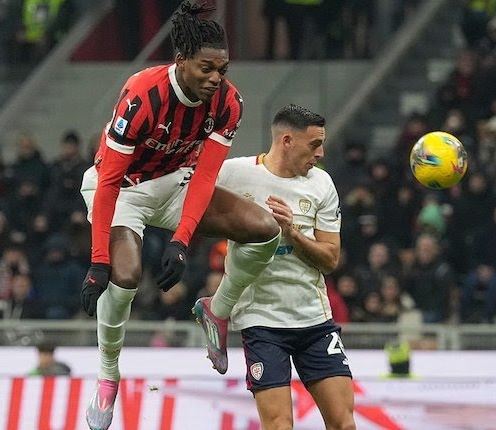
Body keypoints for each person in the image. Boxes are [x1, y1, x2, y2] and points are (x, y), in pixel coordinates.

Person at [79, 3, 281, 429]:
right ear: (182, 60)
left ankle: (217, 310)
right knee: (127, 275)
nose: (216, 78)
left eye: (222, 69)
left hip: (178, 183)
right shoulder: (141, 95)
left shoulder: (229, 102)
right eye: (207, 68)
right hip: (122, 191)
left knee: (265, 231)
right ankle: (108, 373)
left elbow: (205, 176)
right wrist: (99, 260)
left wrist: (181, 240)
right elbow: (109, 181)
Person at [194, 105, 355, 430]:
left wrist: (292, 232)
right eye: (314, 145)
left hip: (314, 320)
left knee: (344, 424)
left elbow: (330, 259)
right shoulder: (235, 174)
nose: (320, 153)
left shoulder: (321, 185)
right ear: (286, 141)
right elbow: (191, 200)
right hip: (262, 322)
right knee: (280, 426)